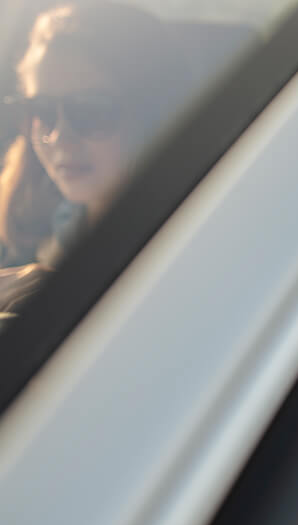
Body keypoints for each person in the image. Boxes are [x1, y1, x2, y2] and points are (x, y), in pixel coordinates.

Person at [0, 2, 187, 314]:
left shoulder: (187, 234)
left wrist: (59, 292)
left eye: (91, 110)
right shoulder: (45, 210)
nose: (58, 136)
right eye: (42, 112)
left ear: (154, 113)